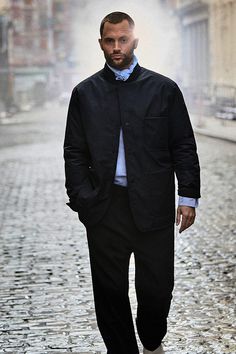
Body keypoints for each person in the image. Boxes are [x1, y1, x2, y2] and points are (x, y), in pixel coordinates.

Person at [64, 11, 201, 354]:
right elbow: (74, 152)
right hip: (105, 208)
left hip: (153, 205)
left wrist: (188, 196)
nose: (116, 47)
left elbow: (183, 143)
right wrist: (82, 198)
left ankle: (151, 338)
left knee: (157, 289)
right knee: (110, 293)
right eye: (109, 41)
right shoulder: (85, 93)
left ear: (135, 40)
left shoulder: (164, 90)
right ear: (101, 43)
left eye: (122, 40)